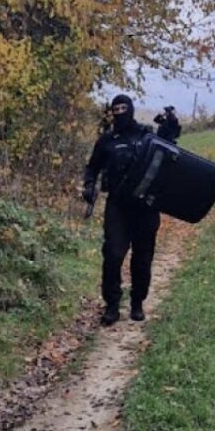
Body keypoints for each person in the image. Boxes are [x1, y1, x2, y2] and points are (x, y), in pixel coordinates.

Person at [83, 94, 161, 326]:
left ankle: (137, 302)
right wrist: (88, 185)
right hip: (117, 205)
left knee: (143, 258)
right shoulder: (106, 141)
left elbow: (165, 163)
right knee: (113, 255)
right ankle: (112, 305)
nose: (119, 112)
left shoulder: (146, 136)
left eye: (123, 108)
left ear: (131, 109)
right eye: (114, 109)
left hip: (145, 207)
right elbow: (92, 167)